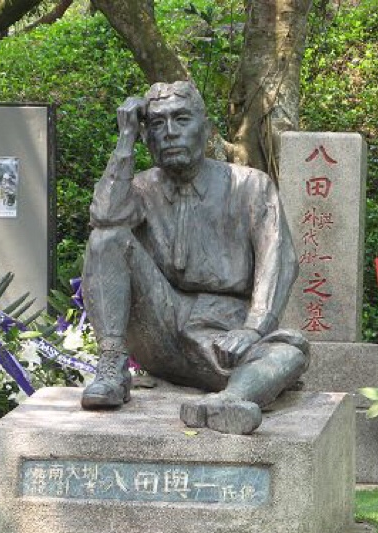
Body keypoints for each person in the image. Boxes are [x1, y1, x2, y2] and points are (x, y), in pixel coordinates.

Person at [80, 81, 309, 435]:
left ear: (206, 128)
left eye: (182, 119)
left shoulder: (250, 185)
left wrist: (253, 329)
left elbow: (278, 262)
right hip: (160, 326)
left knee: (289, 352)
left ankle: (228, 401)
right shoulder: (139, 188)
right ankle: (112, 367)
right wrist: (125, 140)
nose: (170, 132)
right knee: (107, 236)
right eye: (157, 123)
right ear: (147, 136)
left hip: (223, 334)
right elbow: (104, 217)